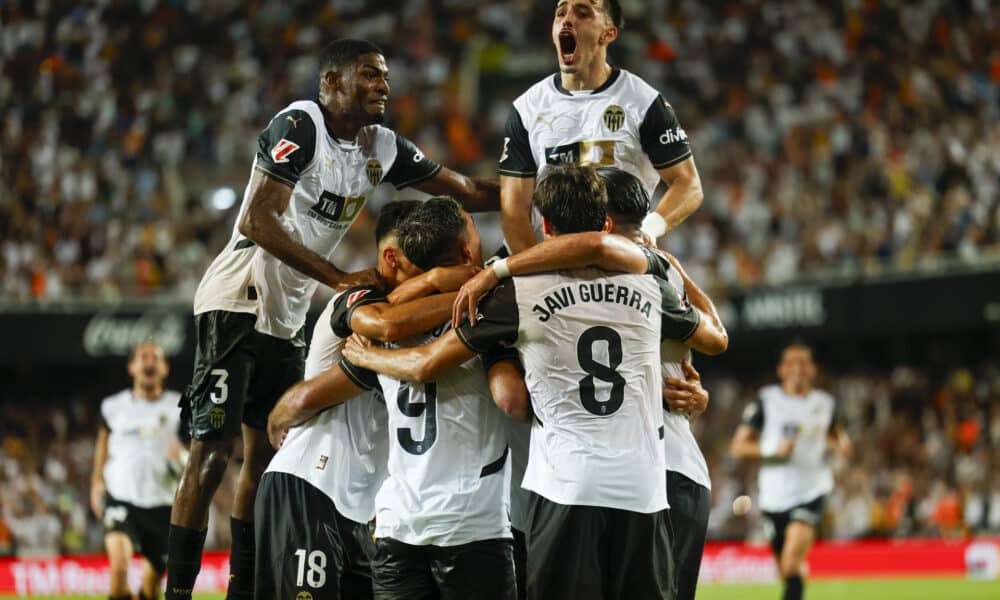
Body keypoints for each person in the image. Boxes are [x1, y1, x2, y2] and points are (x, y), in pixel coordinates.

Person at [167, 38, 500, 600]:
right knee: (212, 451)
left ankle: (241, 588)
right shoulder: (302, 124)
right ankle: (177, 592)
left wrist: (534, 190)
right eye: (369, 74)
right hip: (239, 294)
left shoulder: (381, 146)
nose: (383, 85)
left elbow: (466, 189)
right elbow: (257, 220)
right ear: (331, 83)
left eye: (386, 76)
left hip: (289, 312)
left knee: (264, 454)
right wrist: (338, 277)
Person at [344, 164, 726, 599]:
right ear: (604, 222)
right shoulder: (651, 284)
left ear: (545, 225)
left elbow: (432, 364)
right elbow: (715, 338)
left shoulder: (517, 293)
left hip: (564, 485)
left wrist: (368, 354)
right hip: (643, 487)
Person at [269, 197, 522, 599]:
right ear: (465, 253)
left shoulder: (381, 327)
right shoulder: (488, 308)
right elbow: (505, 396)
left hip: (394, 523)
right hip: (467, 520)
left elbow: (309, 396)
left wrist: (279, 413)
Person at [498, 0, 702, 255]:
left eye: (582, 13)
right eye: (560, 13)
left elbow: (689, 184)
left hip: (621, 261)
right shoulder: (527, 108)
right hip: (549, 259)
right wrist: (534, 271)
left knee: (687, 292)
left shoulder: (643, 102)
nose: (567, 19)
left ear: (609, 33)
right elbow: (514, 211)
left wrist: (648, 229)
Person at [730, 343, 852, 600]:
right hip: (774, 495)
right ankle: (796, 577)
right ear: (781, 370)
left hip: (812, 489)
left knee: (790, 562)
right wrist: (772, 450)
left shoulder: (825, 404)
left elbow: (838, 436)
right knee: (786, 569)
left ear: (813, 369)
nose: (799, 368)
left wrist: (842, 445)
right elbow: (738, 447)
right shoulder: (766, 401)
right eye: (792, 362)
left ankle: (795, 573)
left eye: (804, 362)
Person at [91, 342, 183, 600]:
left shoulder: (179, 407)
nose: (149, 361)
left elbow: (191, 451)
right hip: (121, 499)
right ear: (132, 367)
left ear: (164, 368)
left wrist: (183, 458)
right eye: (143, 356)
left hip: (164, 505)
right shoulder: (112, 407)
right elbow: (102, 446)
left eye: (156, 357)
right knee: (119, 575)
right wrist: (96, 482)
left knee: (152, 590)